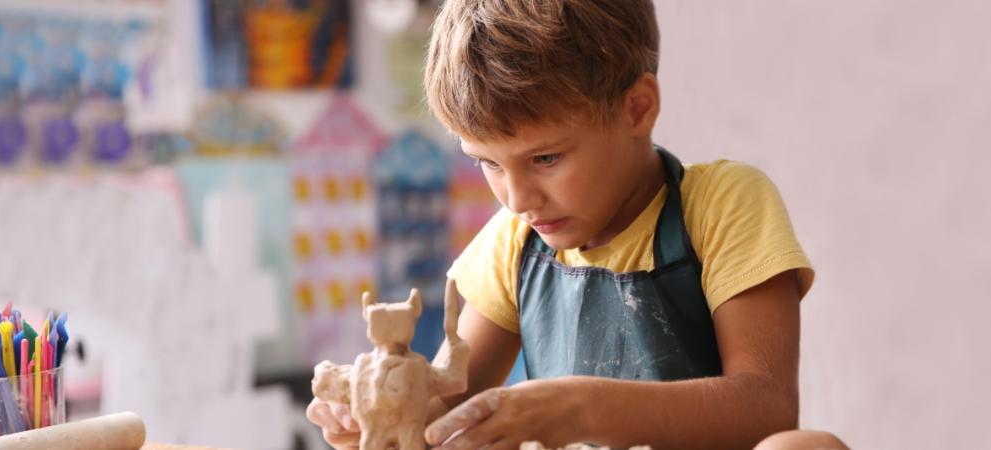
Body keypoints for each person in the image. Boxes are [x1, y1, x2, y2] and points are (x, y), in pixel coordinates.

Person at [309, 0, 820, 448]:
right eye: (487, 163)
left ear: (637, 108)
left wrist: (580, 408)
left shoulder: (720, 205)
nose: (517, 199)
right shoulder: (513, 241)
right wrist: (381, 415)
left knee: (808, 448)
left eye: (546, 158)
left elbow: (767, 407)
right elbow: (448, 410)